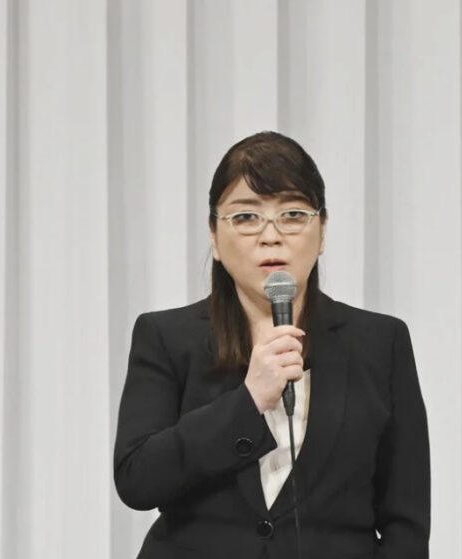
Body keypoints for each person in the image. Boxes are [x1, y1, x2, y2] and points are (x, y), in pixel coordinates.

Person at [113, 131, 430, 558]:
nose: (271, 236)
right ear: (214, 235)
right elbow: (137, 480)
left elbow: (405, 521)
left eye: (293, 215)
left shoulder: (380, 343)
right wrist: (247, 401)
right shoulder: (166, 336)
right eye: (246, 217)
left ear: (322, 231)